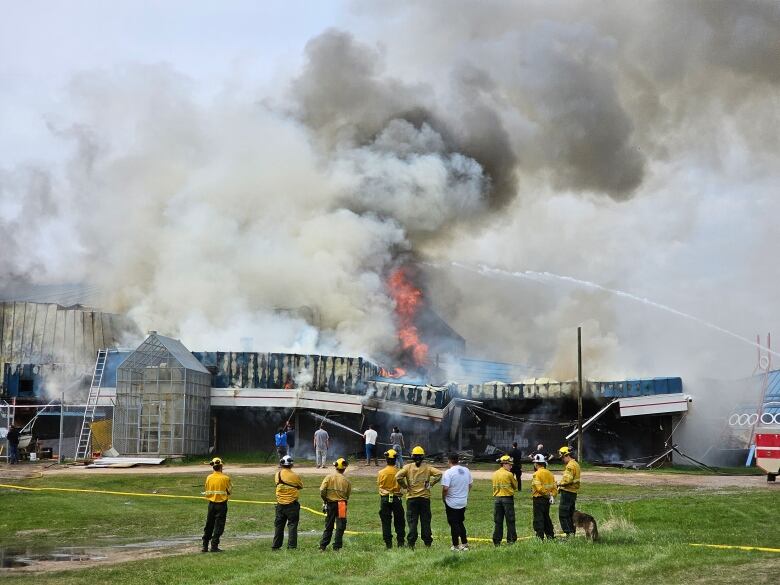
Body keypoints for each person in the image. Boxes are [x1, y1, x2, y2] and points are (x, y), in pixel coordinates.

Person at [395, 446, 442, 549]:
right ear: (423, 457)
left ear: (412, 456)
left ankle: (411, 543)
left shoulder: (407, 467)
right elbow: (439, 474)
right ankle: (427, 543)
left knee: (412, 522)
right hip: (425, 499)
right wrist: (431, 483)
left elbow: (398, 476)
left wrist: (405, 486)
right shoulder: (428, 468)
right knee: (425, 521)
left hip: (412, 499)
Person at [441, 452, 472, 551]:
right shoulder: (466, 470)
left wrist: (444, 498)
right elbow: (470, 485)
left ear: (449, 460)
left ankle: (455, 545)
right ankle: (465, 543)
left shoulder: (448, 472)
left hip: (452, 502)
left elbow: (445, 488)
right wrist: (465, 494)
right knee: (460, 522)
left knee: (454, 524)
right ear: (458, 460)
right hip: (463, 501)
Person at [319, 458, 352, 551]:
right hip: (342, 504)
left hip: (330, 504)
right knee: (340, 526)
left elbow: (322, 490)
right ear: (344, 468)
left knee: (329, 525)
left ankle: (322, 546)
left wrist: (325, 500)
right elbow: (347, 495)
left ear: (335, 467)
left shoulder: (328, 477)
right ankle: (336, 547)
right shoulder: (347, 481)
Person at [273, 455, 303, 550]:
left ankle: (276, 546)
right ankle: (292, 547)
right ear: (291, 465)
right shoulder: (295, 476)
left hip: (280, 505)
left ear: (281, 464)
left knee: (279, 526)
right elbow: (300, 486)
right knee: (292, 526)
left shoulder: (277, 475)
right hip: (292, 505)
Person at [202, 457, 232, 552]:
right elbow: (229, 491)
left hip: (211, 505)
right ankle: (214, 546)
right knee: (219, 526)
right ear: (221, 466)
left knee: (209, 524)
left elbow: (207, 490)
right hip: (221, 505)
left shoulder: (209, 477)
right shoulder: (226, 478)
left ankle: (205, 546)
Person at [377, 448, 406, 549]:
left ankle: (388, 544)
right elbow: (403, 485)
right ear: (395, 460)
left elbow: (380, 486)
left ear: (386, 460)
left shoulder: (381, 473)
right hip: (397, 499)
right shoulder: (399, 472)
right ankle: (400, 543)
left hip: (385, 499)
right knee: (399, 521)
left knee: (386, 521)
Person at [491, 454, 518, 546]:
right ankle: (511, 540)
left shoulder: (494, 474)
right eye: (510, 465)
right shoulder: (509, 474)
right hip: (507, 499)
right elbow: (515, 486)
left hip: (497, 499)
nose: (511, 466)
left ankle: (496, 541)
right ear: (504, 464)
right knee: (510, 520)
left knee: (498, 521)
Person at [531, 453, 557, 540]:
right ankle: (550, 536)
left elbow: (539, 488)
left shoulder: (536, 474)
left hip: (538, 499)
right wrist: (552, 496)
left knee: (538, 518)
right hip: (547, 500)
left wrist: (548, 495)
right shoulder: (550, 474)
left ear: (536, 464)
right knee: (546, 517)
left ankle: (539, 537)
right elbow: (554, 487)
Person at [557, 446, 581, 538]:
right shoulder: (576, 464)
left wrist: (559, 484)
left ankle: (569, 534)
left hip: (568, 492)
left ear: (567, 455)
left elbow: (568, 480)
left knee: (563, 513)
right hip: (573, 492)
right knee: (571, 514)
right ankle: (572, 534)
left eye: (562, 457)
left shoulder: (570, 466)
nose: (562, 459)